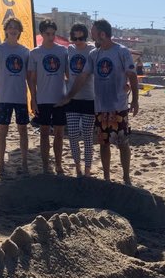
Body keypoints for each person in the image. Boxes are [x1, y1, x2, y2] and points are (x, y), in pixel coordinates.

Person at [58, 18, 139, 185]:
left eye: (93, 34)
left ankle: (126, 177)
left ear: (102, 34)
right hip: (100, 106)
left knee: (122, 143)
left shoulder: (122, 51)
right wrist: (69, 96)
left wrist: (136, 100)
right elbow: (82, 77)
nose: (92, 37)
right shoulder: (94, 54)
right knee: (104, 143)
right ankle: (107, 177)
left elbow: (132, 75)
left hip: (119, 106)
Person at [0, 17, 36, 178]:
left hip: (20, 98)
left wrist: (32, 97)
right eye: (10, 27)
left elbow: (29, 77)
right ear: (6, 30)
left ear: (20, 31)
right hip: (4, 98)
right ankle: (1, 164)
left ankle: (24, 163)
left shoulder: (25, 51)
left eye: (16, 27)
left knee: (23, 130)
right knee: (3, 130)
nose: (13, 30)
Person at [29, 19, 69, 174]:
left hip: (60, 99)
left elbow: (68, 74)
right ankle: (46, 165)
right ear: (42, 34)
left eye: (53, 34)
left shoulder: (63, 51)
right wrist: (33, 99)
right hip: (43, 99)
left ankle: (58, 164)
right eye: (48, 34)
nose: (51, 37)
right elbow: (32, 79)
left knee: (59, 134)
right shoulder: (35, 53)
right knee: (44, 133)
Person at [64, 23, 95, 177]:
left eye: (81, 37)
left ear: (85, 36)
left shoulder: (92, 50)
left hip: (89, 97)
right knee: (73, 135)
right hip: (72, 98)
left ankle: (88, 170)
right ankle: (77, 167)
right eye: (75, 38)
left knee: (88, 136)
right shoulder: (69, 50)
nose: (78, 41)